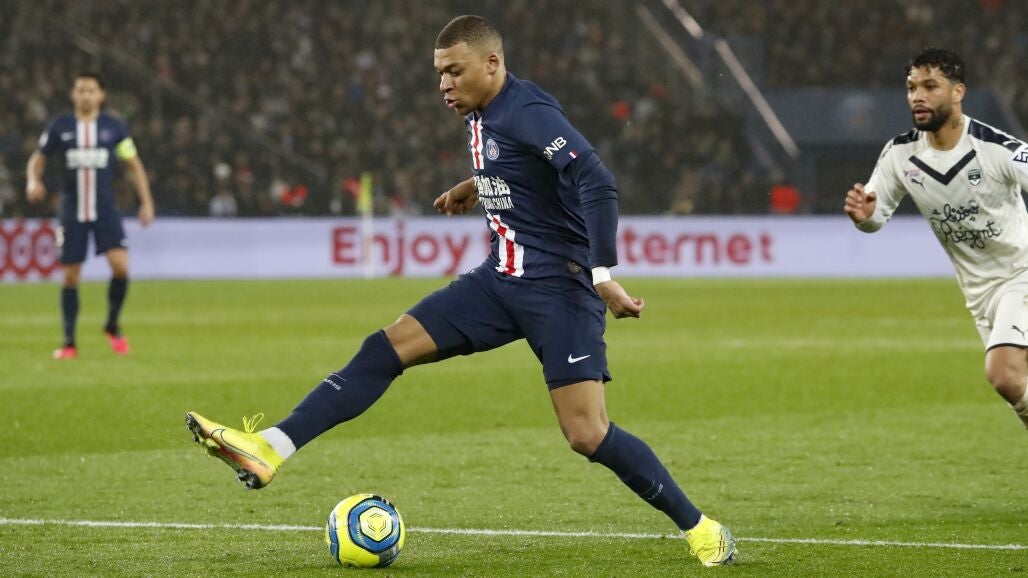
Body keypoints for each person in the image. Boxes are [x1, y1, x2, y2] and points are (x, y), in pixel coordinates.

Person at [186, 15, 735, 567]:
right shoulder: (483, 112)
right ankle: (270, 448)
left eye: (454, 71)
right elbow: (520, 163)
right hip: (498, 282)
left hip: (560, 289)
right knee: (384, 348)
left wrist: (602, 274)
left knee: (586, 433)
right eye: (439, 73)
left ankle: (700, 527)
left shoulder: (528, 110)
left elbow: (595, 180)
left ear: (492, 63)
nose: (443, 85)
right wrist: (478, 186)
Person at [844, 47, 1028, 429]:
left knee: (1003, 374)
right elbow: (876, 215)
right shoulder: (900, 154)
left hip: (1020, 275)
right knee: (1018, 386)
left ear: (958, 92)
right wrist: (864, 217)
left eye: (930, 86)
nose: (918, 96)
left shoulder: (996, 149)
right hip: (979, 294)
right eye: (912, 87)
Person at [26, 72, 155, 359]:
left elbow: (134, 165)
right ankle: (69, 342)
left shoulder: (114, 127)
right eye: (81, 90)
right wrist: (32, 180)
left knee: (121, 267)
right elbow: (38, 158)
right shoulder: (60, 127)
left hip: (105, 208)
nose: (86, 95)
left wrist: (146, 202)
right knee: (71, 276)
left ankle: (112, 324)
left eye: (91, 90)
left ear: (101, 95)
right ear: (73, 95)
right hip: (72, 210)